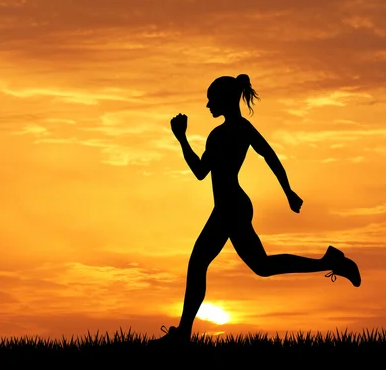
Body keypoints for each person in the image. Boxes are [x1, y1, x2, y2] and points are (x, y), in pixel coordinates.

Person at [152, 74, 361, 345]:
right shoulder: (243, 129)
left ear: (224, 100)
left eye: (211, 100)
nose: (207, 106)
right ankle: (330, 261)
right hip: (233, 206)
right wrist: (287, 191)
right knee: (260, 266)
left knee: (200, 264)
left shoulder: (220, 135)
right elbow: (270, 156)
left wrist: (181, 139)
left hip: (230, 209)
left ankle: (183, 334)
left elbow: (200, 172)